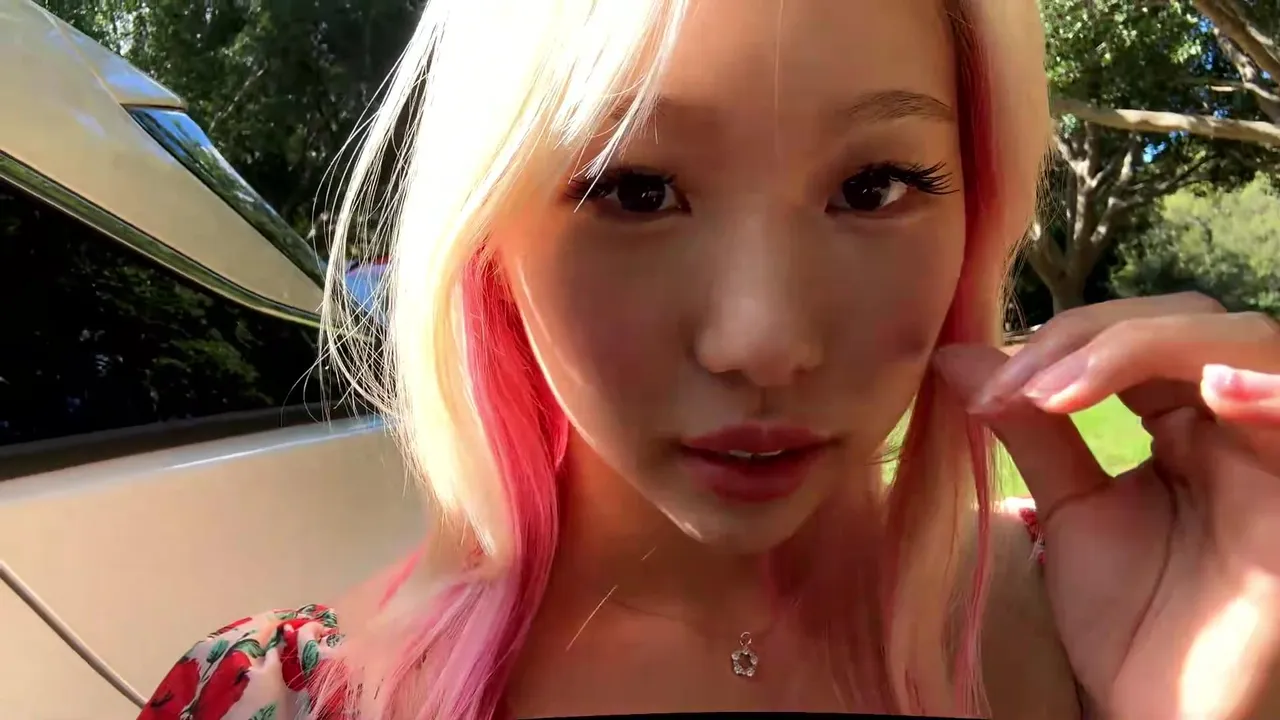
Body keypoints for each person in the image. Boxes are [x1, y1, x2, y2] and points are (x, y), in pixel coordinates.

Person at [135, 1, 1280, 719]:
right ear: (485, 238)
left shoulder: (1111, 616)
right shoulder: (276, 700)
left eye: (872, 186)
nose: (763, 343)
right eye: (634, 190)